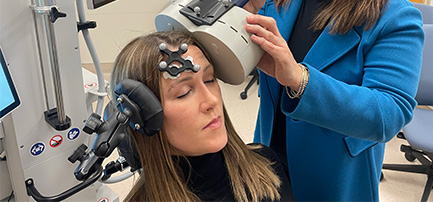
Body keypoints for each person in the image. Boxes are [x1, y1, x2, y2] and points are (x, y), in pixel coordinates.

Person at [228, 0, 424, 202]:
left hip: (334, 175)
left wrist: (300, 80)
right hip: (269, 155)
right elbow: (242, 62)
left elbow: (389, 113)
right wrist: (237, 11)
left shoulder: (394, 16)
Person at [109, 30, 295, 202]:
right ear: (143, 116)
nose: (212, 100)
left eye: (209, 80)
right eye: (183, 92)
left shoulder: (266, 164)